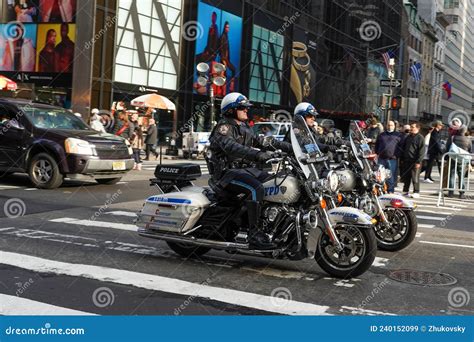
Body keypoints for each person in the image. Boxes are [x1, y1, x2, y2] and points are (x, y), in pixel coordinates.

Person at [207, 92, 292, 249]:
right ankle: (254, 234)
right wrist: (258, 154)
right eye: (242, 107)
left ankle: (272, 225)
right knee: (256, 188)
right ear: (231, 110)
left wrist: (291, 148)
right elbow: (232, 147)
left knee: (277, 182)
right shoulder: (223, 127)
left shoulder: (245, 128)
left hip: (245, 171)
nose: (246, 110)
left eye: (246, 108)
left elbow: (265, 141)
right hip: (227, 174)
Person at [375, 121, 403, 193]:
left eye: (391, 125)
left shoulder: (398, 135)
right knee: (380, 176)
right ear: (386, 126)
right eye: (388, 125)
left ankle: (390, 191)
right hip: (381, 159)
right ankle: (380, 190)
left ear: (394, 126)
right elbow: (377, 145)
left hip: (392, 159)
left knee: (390, 176)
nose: (390, 126)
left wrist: (396, 155)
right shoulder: (381, 135)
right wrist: (377, 153)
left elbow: (401, 147)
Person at [445, 126, 472, 199]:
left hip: (453, 158)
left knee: (452, 176)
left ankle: (450, 193)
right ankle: (461, 193)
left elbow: (447, 147)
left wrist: (446, 158)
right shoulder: (468, 140)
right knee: (461, 176)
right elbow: (470, 150)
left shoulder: (453, 138)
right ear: (465, 131)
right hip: (462, 160)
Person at [400, 122, 425, 198]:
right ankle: (405, 191)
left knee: (415, 177)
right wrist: (402, 158)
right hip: (407, 160)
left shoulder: (420, 138)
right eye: (411, 127)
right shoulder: (408, 137)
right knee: (406, 177)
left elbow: (422, 151)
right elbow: (404, 148)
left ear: (418, 128)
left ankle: (416, 191)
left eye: (413, 127)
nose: (411, 128)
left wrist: (418, 161)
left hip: (415, 161)